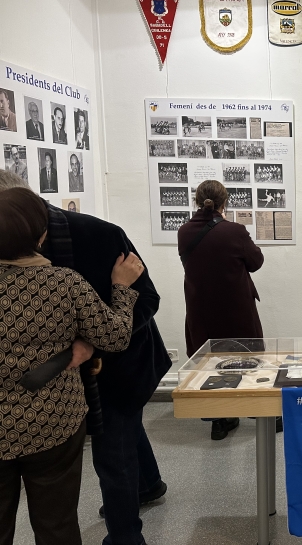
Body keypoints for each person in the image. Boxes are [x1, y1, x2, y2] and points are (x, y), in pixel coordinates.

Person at [0, 169, 172, 545]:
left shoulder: (99, 234)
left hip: (119, 368)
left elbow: (148, 298)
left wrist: (91, 344)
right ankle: (148, 484)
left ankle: (126, 536)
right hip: (55, 387)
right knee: (119, 444)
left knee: (114, 454)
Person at [178, 180, 265, 440]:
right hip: (235, 308)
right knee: (247, 358)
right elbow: (256, 261)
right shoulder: (234, 231)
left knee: (210, 362)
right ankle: (257, 411)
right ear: (224, 202)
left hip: (200, 307)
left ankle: (220, 420)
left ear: (197, 200)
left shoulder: (183, 231)